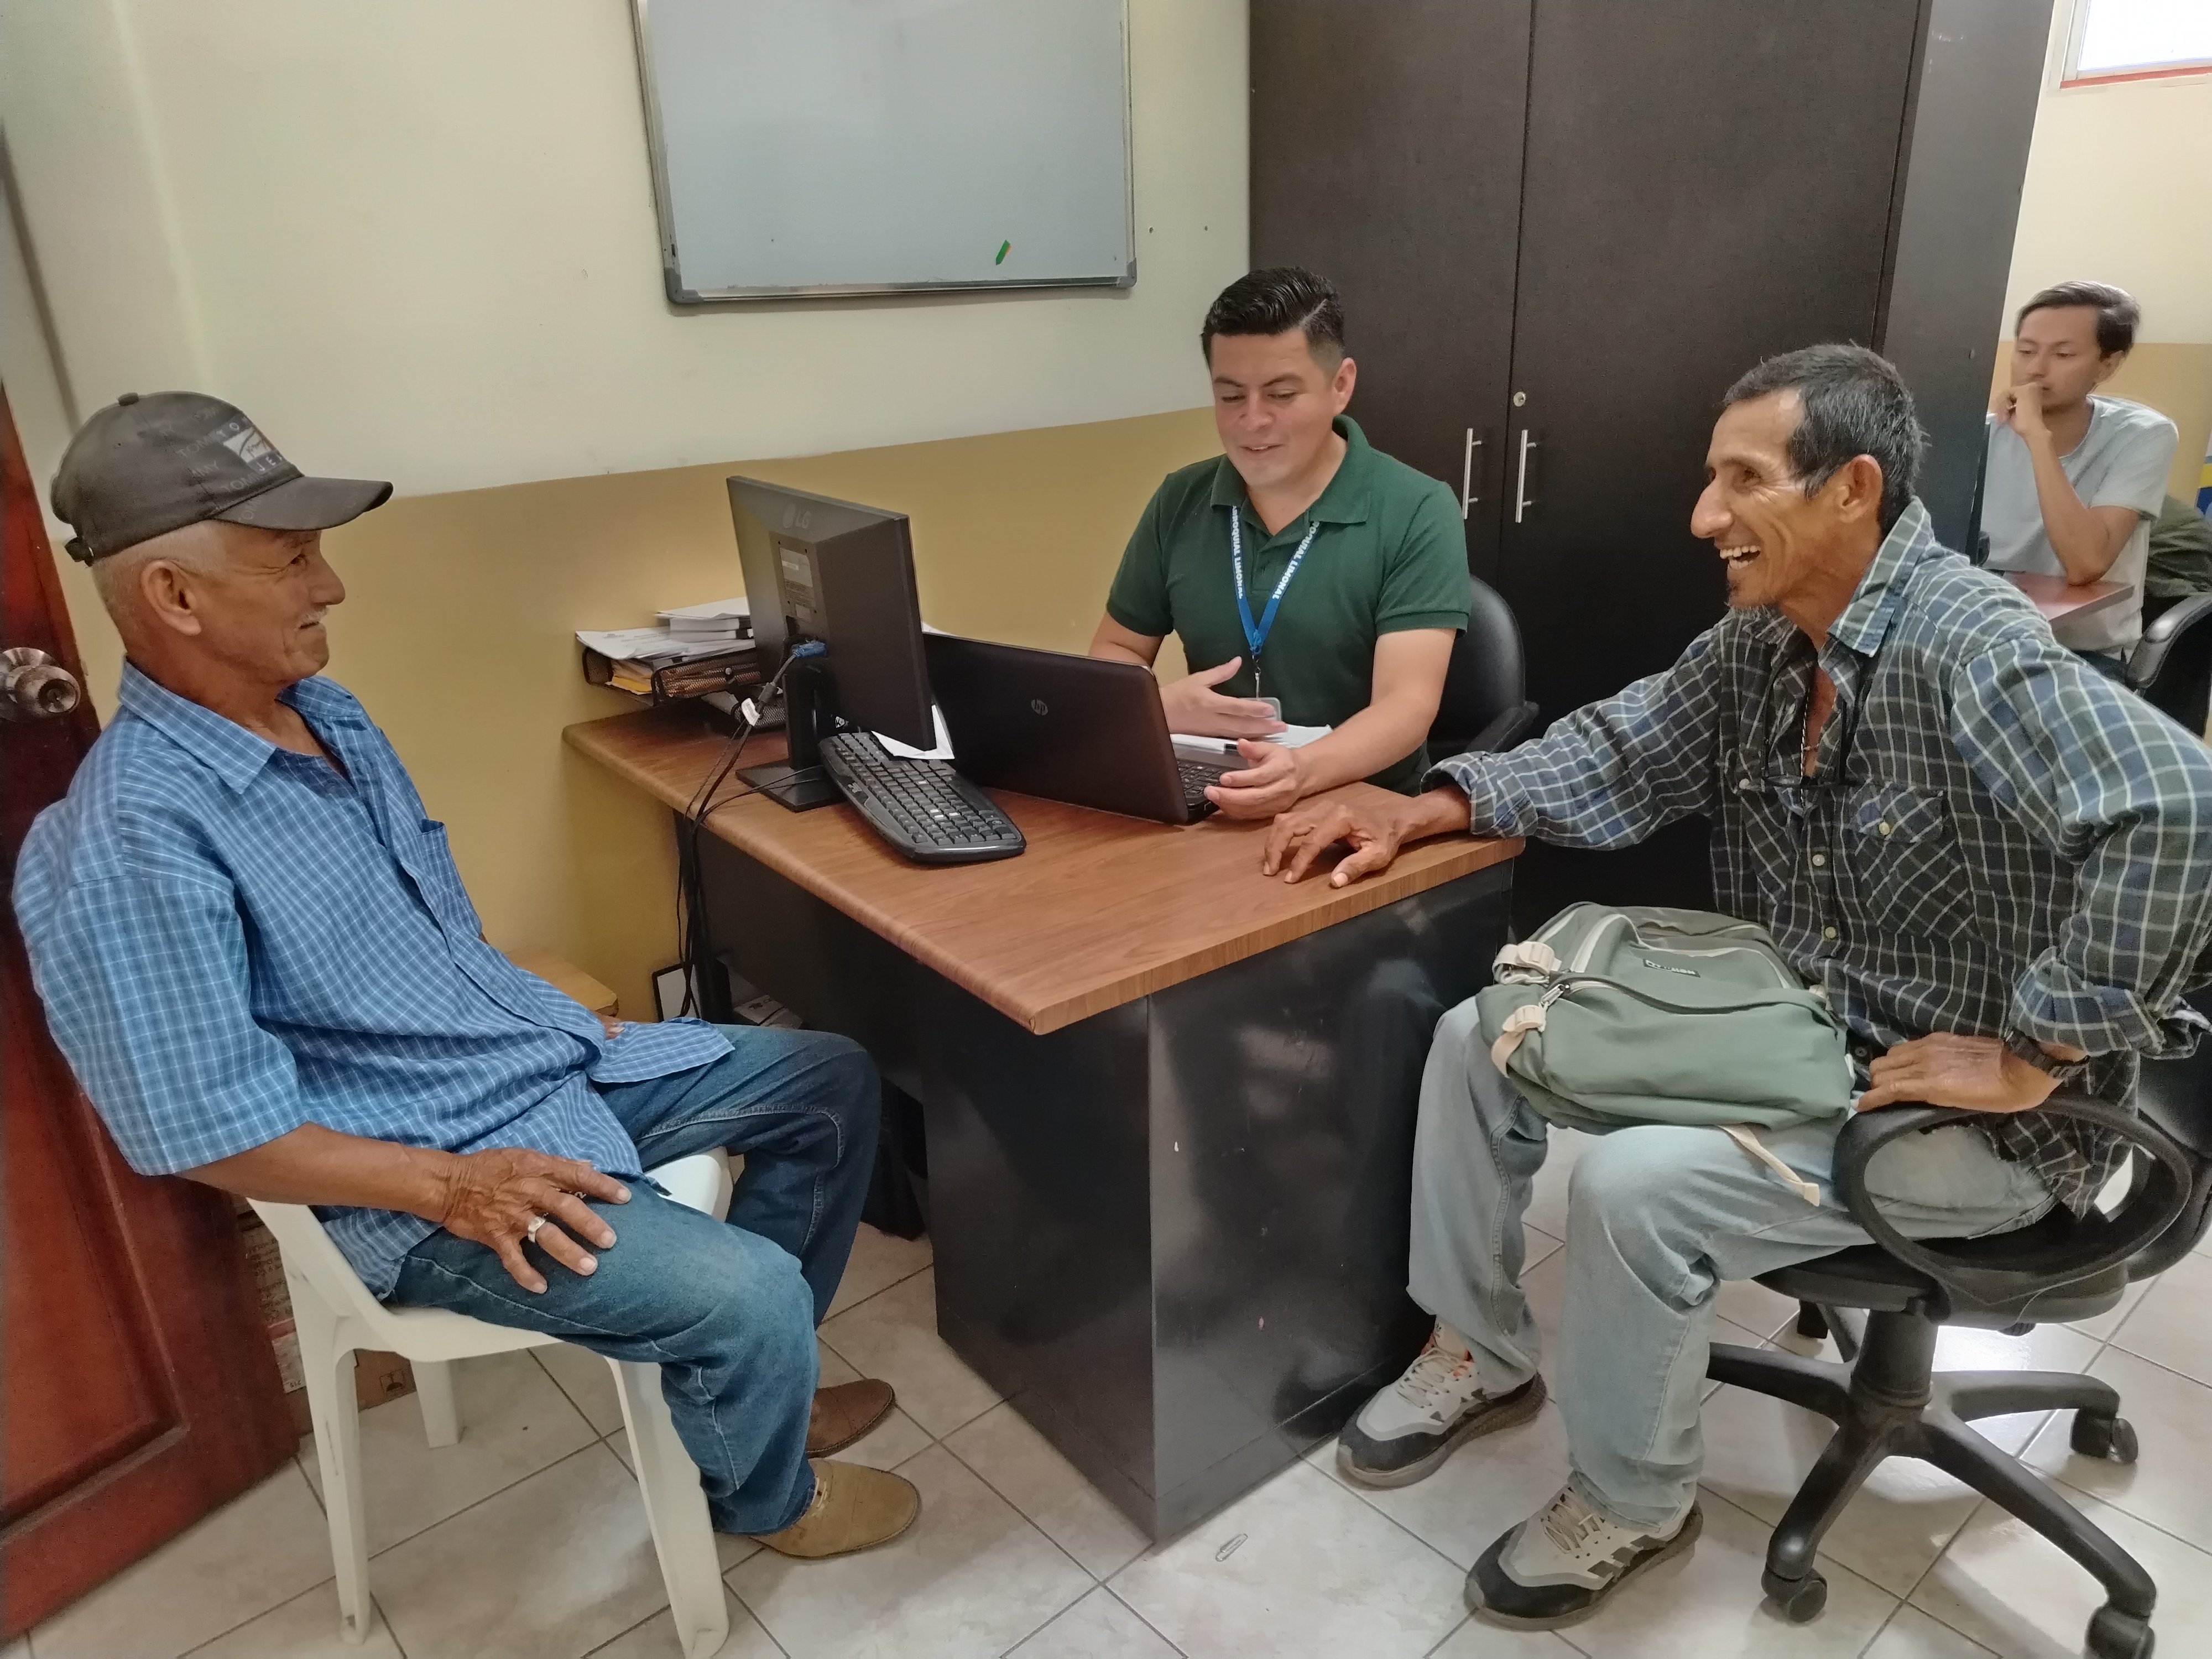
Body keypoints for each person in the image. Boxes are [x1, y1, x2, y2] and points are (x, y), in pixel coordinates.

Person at [1264, 346, 2212, 1630]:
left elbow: (2176, 805)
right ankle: (1474, 1350)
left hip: (1979, 1123)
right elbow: (1622, 749)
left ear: (1850, 489)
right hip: (1802, 1038)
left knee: (1632, 1188)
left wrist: (2034, 1050)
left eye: (1741, 479)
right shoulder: (1765, 642)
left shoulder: (1964, 641)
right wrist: (1428, 803)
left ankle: (1633, 1499)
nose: (1702, 515)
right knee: (1473, 1041)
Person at [14, 392, 919, 1559]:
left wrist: (542, 1026)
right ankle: (764, 1495)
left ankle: (759, 1397)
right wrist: (449, 1188)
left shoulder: (325, 717)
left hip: (529, 1071)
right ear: (174, 596)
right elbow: (199, 1135)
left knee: (829, 1083)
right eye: (291, 561)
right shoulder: (126, 841)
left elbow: (429, 945)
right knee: (742, 1291)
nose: (331, 585)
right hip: (421, 1170)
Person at [1089, 267, 1469, 817]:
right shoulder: (1181, 499)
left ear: (1341, 386)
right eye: (1230, 396)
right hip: (1216, 799)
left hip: (1363, 813)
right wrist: (1157, 705)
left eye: (1281, 394)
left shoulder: (1417, 509)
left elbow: (1406, 705)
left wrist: (1299, 771)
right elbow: (1117, 649)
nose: (1252, 421)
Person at [1983, 280, 2179, 677]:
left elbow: (2085, 562)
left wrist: (2038, 438)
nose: (2036, 369)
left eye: (2063, 354)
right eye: (2026, 351)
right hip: (1983, 640)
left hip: (2081, 654)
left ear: (2108, 365)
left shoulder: (2144, 435)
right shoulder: (1980, 431)